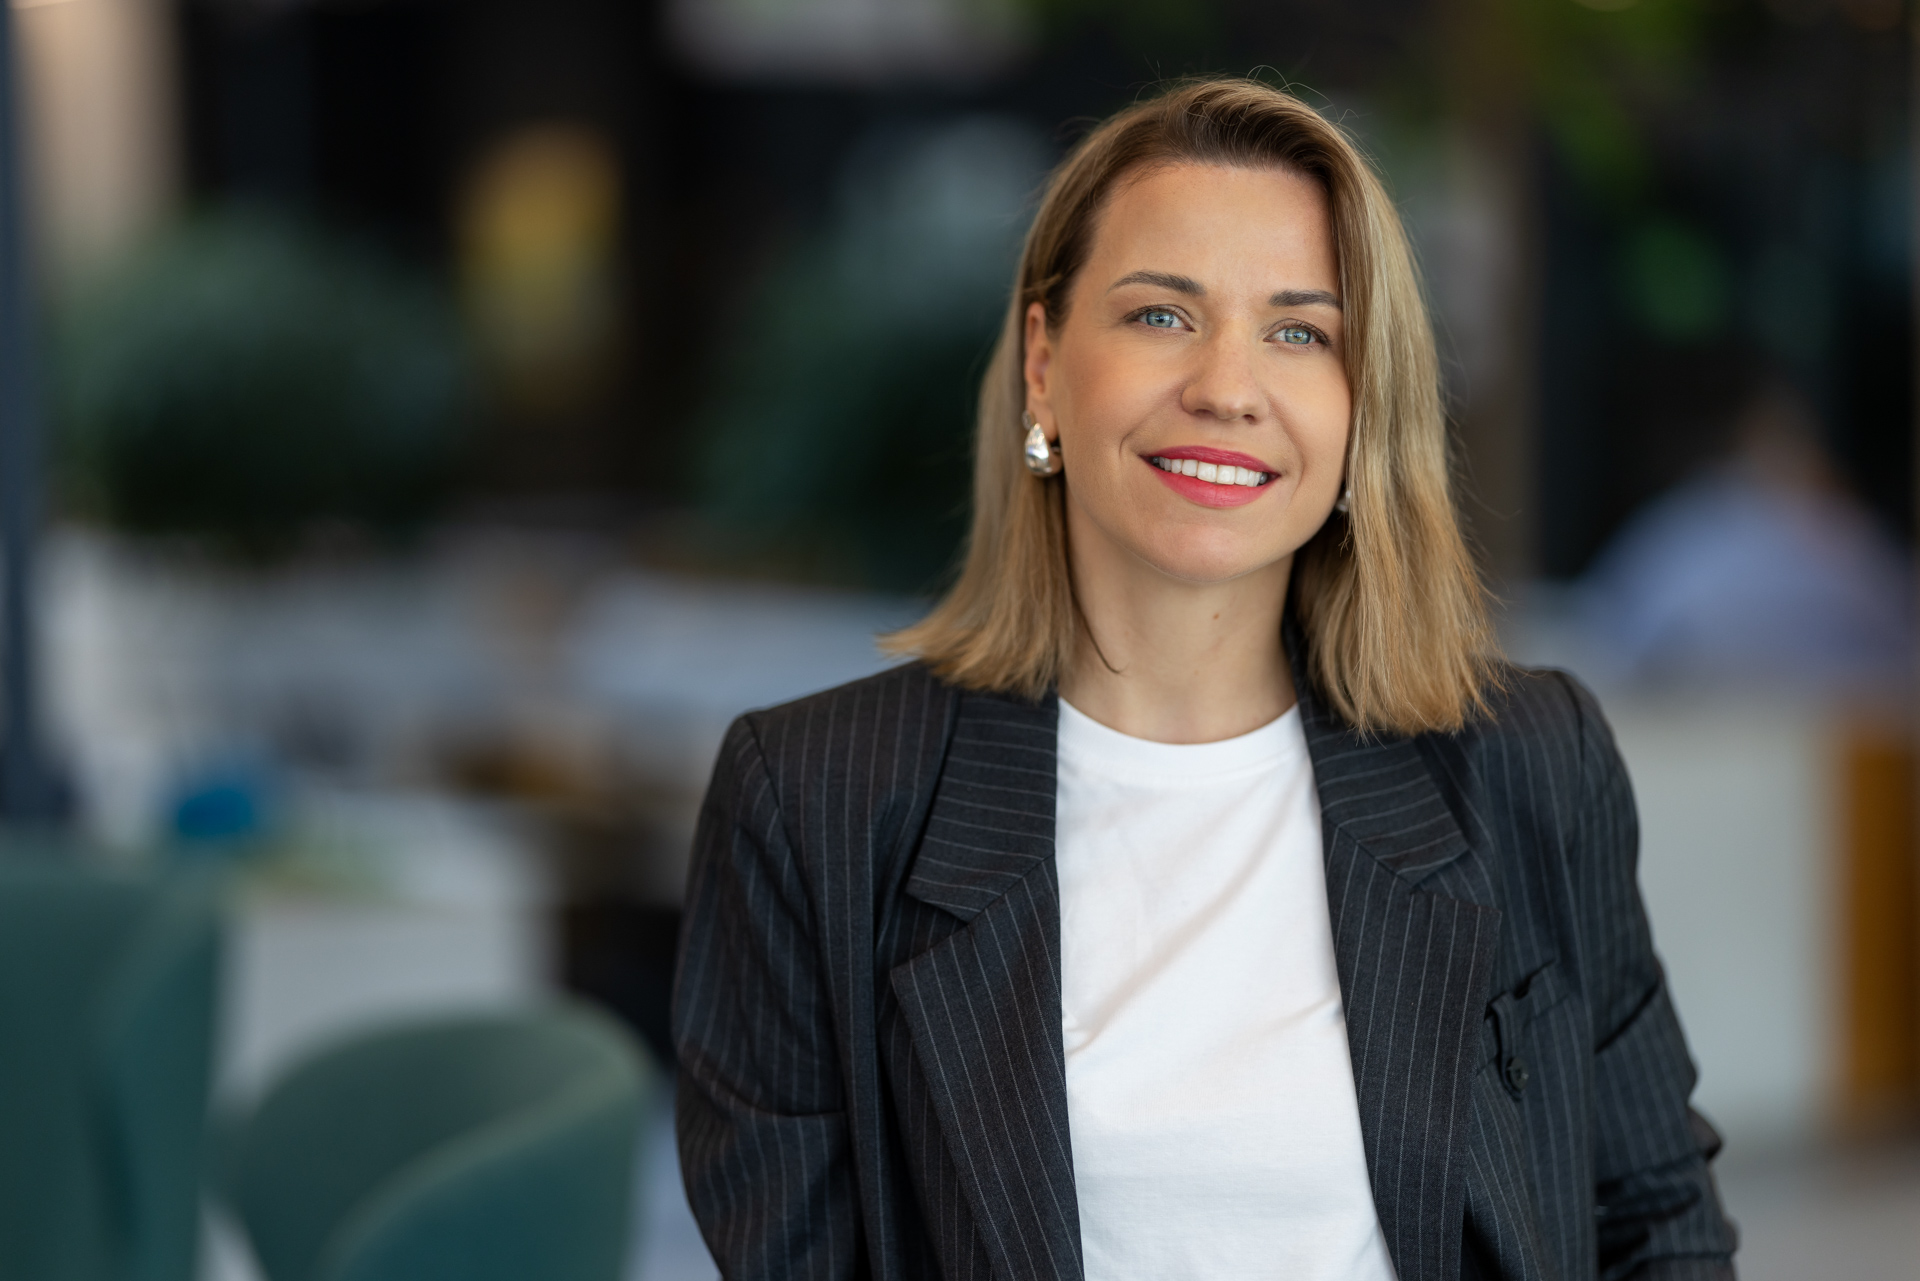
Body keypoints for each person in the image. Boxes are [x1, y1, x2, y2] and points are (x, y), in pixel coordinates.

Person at [673, 78, 1736, 1281]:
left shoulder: (1527, 762)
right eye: (1162, 315)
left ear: (1363, 404)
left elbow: (1656, 1221)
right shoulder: (813, 801)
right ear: (1043, 365)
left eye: (1301, 332)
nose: (1228, 387)